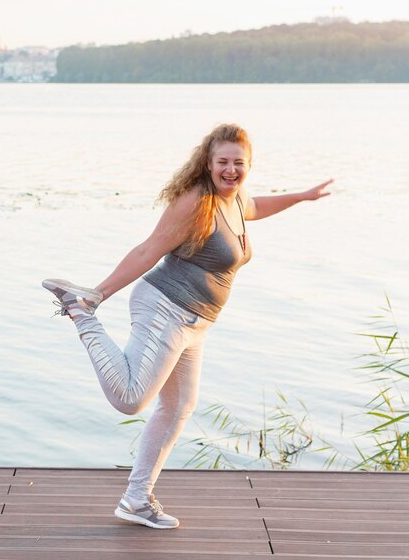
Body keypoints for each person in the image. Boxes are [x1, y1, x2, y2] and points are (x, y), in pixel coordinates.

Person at [42, 123, 333, 529]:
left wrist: (301, 197)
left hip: (196, 321)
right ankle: (81, 312)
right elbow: (149, 248)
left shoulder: (234, 200)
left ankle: (136, 500)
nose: (231, 170)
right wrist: (98, 294)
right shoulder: (197, 201)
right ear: (208, 163)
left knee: (178, 406)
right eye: (223, 163)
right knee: (131, 399)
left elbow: (256, 207)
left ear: (248, 165)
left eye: (239, 163)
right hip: (166, 307)